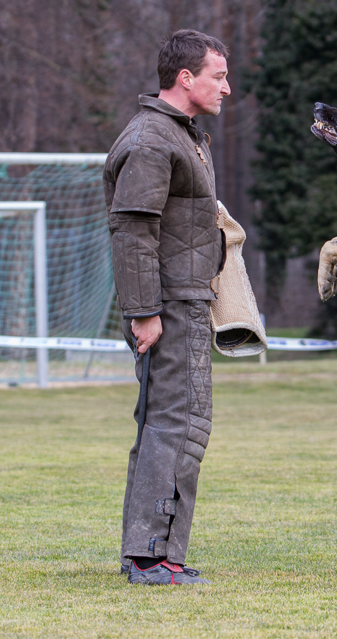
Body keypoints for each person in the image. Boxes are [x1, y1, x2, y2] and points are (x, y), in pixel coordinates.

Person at [103, 29, 230, 585]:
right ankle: (152, 558)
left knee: (180, 423)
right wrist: (143, 311)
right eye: (218, 76)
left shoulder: (182, 135)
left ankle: (156, 552)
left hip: (186, 299)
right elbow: (133, 229)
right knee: (173, 425)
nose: (227, 87)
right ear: (186, 78)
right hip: (168, 307)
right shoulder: (154, 139)